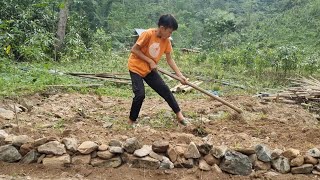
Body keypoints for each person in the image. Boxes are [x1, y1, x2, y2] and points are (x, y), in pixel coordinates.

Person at [127, 14, 188, 126]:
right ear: (162, 28)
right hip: (135, 67)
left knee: (165, 90)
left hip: (149, 70)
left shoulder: (166, 41)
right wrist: (150, 61)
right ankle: (131, 121)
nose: (170, 34)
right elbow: (134, 50)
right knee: (140, 94)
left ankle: (179, 115)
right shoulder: (148, 34)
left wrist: (180, 76)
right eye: (169, 31)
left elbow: (170, 60)